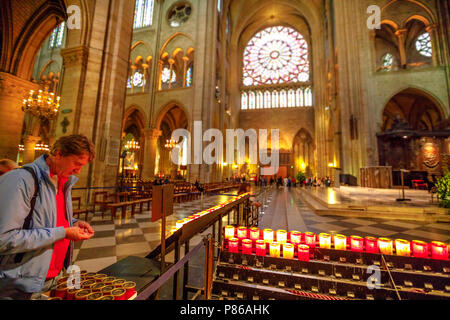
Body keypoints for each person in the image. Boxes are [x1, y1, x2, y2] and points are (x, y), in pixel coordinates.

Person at [0, 135, 96, 300]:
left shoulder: (63, 181)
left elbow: (47, 221)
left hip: (53, 278)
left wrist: (73, 224)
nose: (79, 171)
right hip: (20, 284)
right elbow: (4, 238)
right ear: (58, 154)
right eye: (77, 164)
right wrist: (64, 233)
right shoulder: (22, 180)